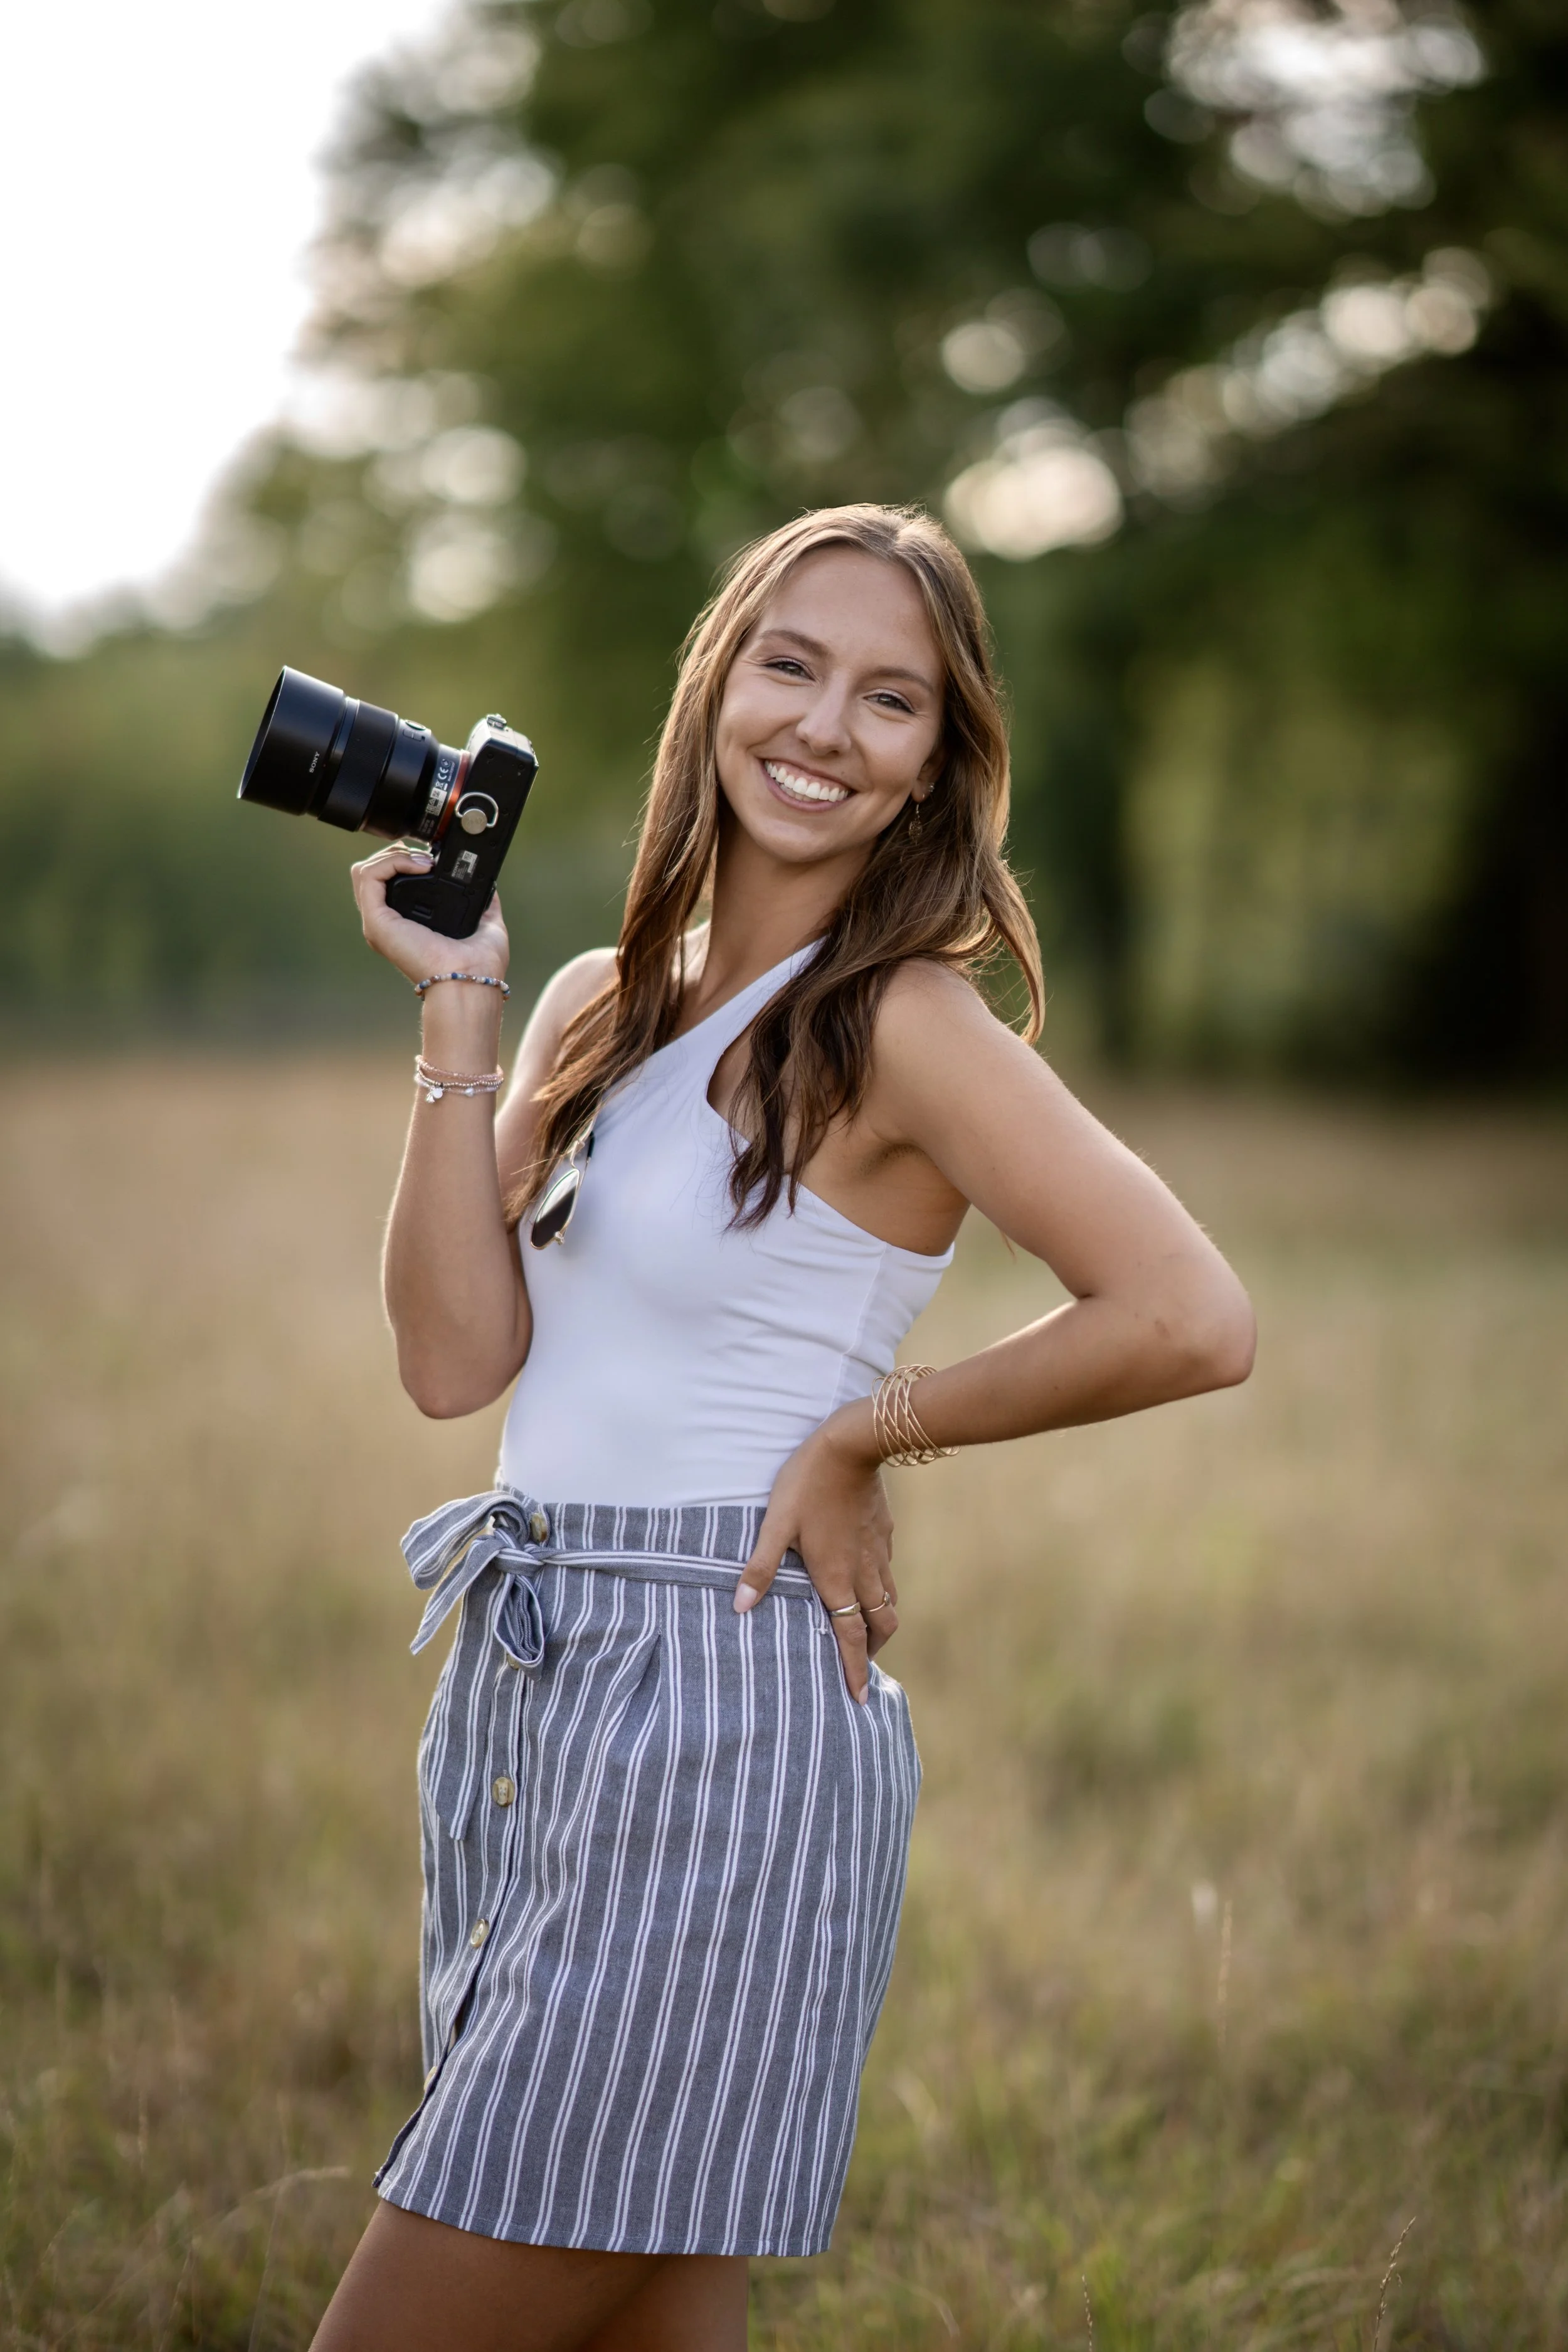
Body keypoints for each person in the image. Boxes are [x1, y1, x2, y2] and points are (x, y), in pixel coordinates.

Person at [309, 503, 1254, 2352]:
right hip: (536, 1684)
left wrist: (860, 1433)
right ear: (716, 689)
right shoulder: (598, 998)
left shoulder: (901, 1023)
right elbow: (448, 1360)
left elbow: (1188, 1312)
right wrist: (461, 1011)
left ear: (933, 767)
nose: (825, 726)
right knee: (651, 2311)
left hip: (718, 1706)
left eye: (889, 699)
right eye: (791, 665)